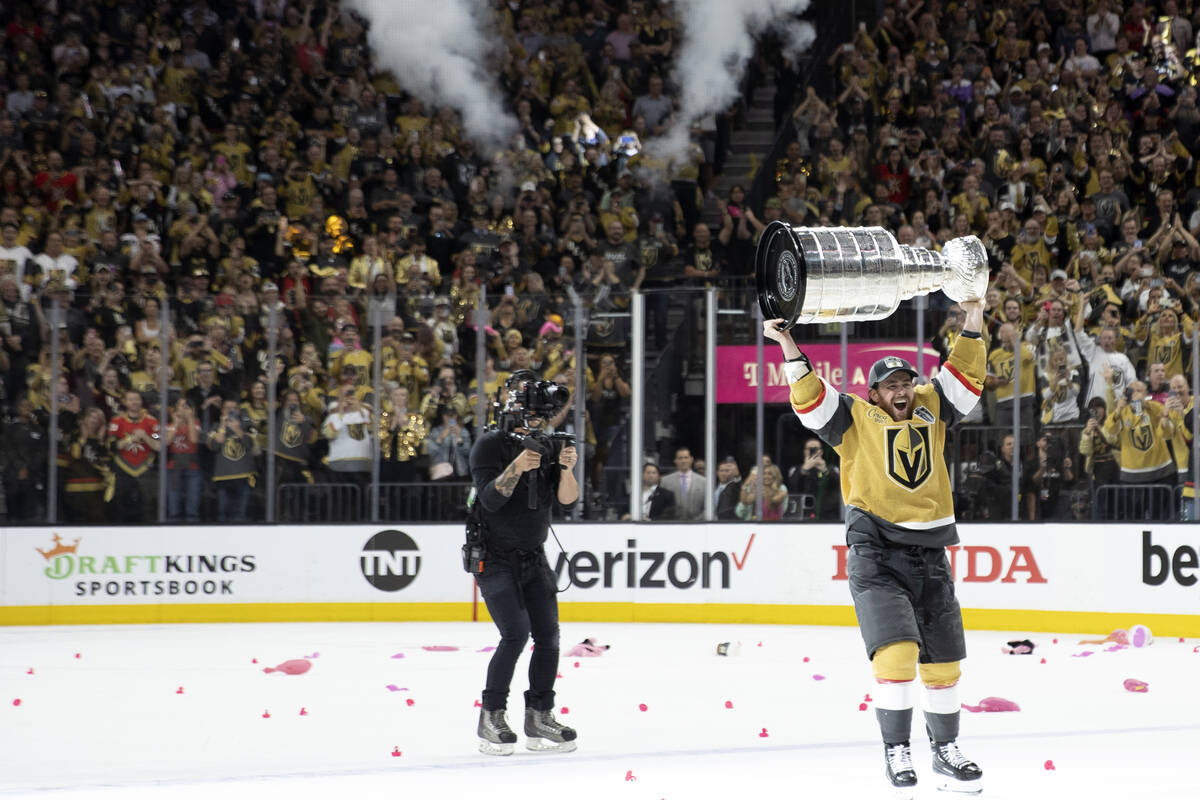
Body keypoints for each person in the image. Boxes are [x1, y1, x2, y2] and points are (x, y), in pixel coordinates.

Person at [763, 299, 986, 797]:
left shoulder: (932, 405)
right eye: (891, 385)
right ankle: (897, 752)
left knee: (944, 663)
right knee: (897, 655)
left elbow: (967, 374)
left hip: (930, 553)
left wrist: (973, 313)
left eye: (906, 382)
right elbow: (810, 398)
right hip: (876, 551)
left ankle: (946, 752)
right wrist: (786, 343)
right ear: (875, 393)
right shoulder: (853, 418)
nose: (902, 390)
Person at [468, 370, 579, 755]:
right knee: (515, 634)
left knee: (548, 636)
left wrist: (565, 467)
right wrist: (516, 467)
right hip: (494, 557)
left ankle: (539, 715)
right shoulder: (489, 446)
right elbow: (489, 500)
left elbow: (567, 500)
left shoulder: (549, 445)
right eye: (530, 417)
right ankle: (492, 716)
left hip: (535, 556)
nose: (537, 424)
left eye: (541, 418)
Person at [659, 445, 705, 520]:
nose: (683, 461)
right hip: (672, 525)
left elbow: (708, 507)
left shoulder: (704, 482)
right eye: (680, 458)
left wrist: (696, 521)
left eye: (686, 458)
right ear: (675, 461)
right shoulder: (665, 481)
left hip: (697, 525)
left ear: (691, 459)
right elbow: (661, 505)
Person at [714, 456, 742, 520]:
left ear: (731, 472)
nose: (724, 473)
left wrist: (737, 476)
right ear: (717, 473)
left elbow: (738, 483)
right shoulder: (712, 487)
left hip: (728, 523)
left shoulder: (733, 487)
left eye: (727, 471)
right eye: (721, 471)